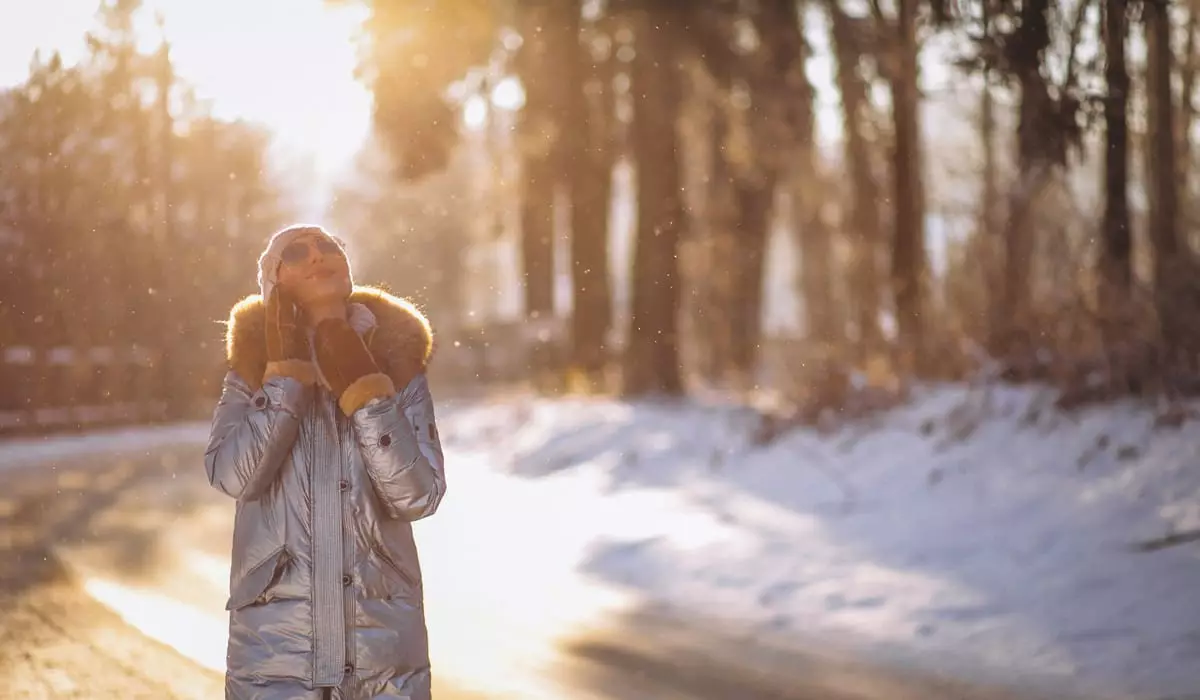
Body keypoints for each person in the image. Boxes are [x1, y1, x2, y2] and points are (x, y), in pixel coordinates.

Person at [204, 224, 446, 699]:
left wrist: (367, 391)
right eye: (296, 252)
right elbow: (233, 475)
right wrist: (284, 381)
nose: (317, 254)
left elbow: (419, 494)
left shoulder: (396, 360)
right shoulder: (252, 368)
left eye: (329, 246)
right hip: (276, 654)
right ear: (275, 281)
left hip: (384, 655)